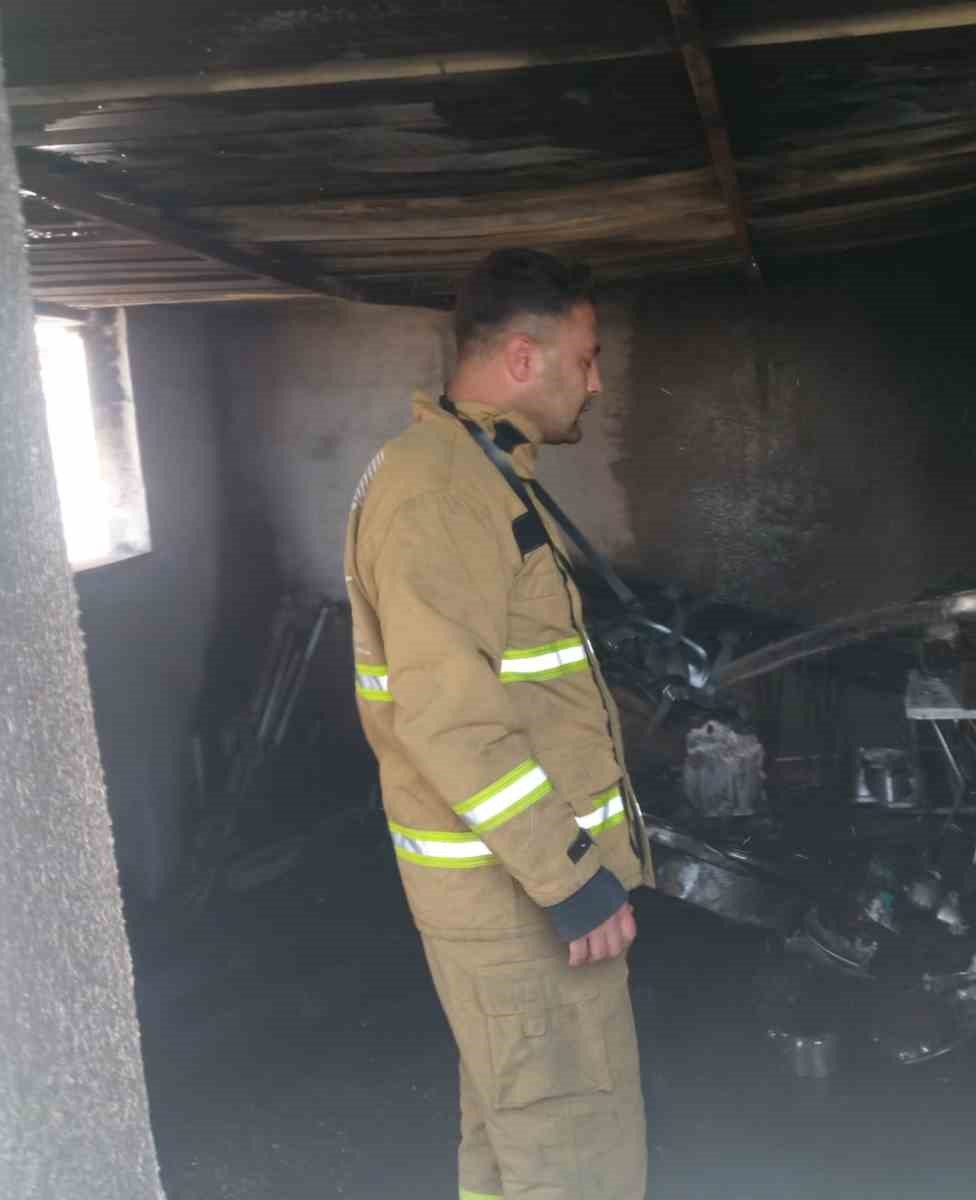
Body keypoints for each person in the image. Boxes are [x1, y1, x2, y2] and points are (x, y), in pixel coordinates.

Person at [343, 249, 652, 1200]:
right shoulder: (438, 491)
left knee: (510, 1146)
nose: (596, 381)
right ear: (524, 358)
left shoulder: (478, 473)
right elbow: (450, 720)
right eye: (587, 357)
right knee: (572, 1160)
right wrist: (571, 877)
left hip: (510, 888)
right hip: (517, 898)